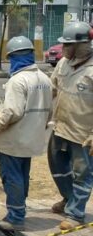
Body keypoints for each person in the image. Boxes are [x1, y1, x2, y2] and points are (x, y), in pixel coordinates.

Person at [0, 37, 52, 230]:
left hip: (14, 140)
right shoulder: (44, 79)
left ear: (13, 57)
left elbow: (12, 112)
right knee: (22, 176)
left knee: (12, 177)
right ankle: (19, 210)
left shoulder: (17, 81)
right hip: (32, 139)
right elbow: (49, 111)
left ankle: (15, 217)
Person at [47, 21, 93, 224]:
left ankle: (75, 213)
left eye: (68, 45)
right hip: (60, 127)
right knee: (57, 165)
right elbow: (52, 88)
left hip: (83, 133)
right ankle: (68, 198)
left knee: (82, 172)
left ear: (82, 45)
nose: (63, 49)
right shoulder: (63, 64)